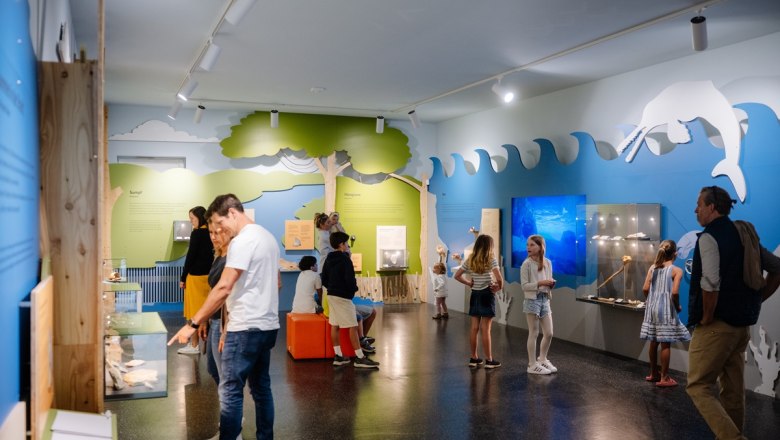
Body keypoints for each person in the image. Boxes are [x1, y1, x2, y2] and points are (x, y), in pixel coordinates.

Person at [168, 194, 281, 439]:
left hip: (245, 328)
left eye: (220, 223)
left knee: (230, 392)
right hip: (268, 326)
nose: (220, 230)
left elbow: (224, 287)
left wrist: (193, 322)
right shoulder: (268, 237)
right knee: (261, 389)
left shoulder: (243, 241)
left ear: (232, 212)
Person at [686, 186, 780, 440]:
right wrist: (759, 298)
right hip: (741, 328)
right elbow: (777, 268)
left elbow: (710, 282)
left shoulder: (708, 237)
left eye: (699, 204)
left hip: (716, 327)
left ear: (712, 207)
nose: (696, 209)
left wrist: (706, 317)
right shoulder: (743, 235)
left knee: (698, 385)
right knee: (732, 388)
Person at [321, 231, 379, 368]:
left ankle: (339, 356)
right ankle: (360, 358)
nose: (347, 245)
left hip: (331, 295)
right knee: (353, 326)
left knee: (335, 325)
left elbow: (324, 279)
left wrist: (333, 288)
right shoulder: (345, 259)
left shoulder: (329, 258)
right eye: (346, 243)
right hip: (343, 297)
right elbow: (350, 280)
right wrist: (351, 290)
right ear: (341, 244)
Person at [639, 240, 690, 387]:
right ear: (675, 254)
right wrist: (678, 306)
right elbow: (674, 292)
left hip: (652, 308)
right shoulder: (676, 270)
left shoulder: (652, 268)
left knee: (653, 341)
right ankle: (664, 378)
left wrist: (652, 299)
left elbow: (645, 288)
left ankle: (653, 373)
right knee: (665, 342)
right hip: (666, 309)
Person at [454, 234, 503, 368]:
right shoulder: (491, 259)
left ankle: (474, 358)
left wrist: (469, 283)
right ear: (490, 246)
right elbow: (499, 278)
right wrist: (499, 287)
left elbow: (457, 276)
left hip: (475, 295)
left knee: (474, 328)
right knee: (485, 329)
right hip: (487, 294)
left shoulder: (470, 259)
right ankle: (489, 360)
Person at [179, 206, 214, 355]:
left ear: (199, 218)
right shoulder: (211, 232)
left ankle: (194, 345)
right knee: (207, 313)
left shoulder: (197, 233)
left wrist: (182, 277)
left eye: (192, 219)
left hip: (194, 278)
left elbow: (190, 257)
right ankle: (204, 344)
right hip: (208, 277)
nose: (191, 222)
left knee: (193, 313)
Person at [520, 235, 557, 375]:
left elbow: (548, 280)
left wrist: (550, 284)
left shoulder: (548, 262)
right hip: (532, 300)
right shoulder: (526, 264)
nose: (528, 247)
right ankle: (532, 364)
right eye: (527, 245)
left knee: (549, 333)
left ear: (540, 247)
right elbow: (524, 286)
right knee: (534, 333)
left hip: (545, 299)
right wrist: (541, 283)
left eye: (532, 245)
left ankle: (542, 359)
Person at [203, 219, 232, 385]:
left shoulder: (231, 258)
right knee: (213, 370)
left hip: (223, 321)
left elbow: (226, 293)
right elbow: (213, 289)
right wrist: (205, 317)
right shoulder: (219, 255)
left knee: (224, 374)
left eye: (217, 232)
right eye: (211, 233)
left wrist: (226, 329)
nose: (213, 237)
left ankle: (232, 410)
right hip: (214, 318)